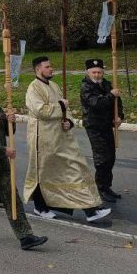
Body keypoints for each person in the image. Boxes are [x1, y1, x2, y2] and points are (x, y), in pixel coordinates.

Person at [24, 57, 111, 223]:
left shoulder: (54, 86)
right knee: (42, 173)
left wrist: (68, 121)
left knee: (76, 169)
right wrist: (61, 106)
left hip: (61, 138)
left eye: (51, 66)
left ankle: (91, 209)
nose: (51, 69)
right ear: (38, 70)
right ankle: (41, 207)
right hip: (43, 140)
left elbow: (66, 109)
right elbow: (41, 110)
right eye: (48, 67)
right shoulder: (33, 88)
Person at [0, 80, 48, 250]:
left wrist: (9, 122)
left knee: (12, 198)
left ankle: (25, 236)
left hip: (3, 164)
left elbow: (8, 132)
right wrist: (4, 151)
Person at [79, 59, 124, 202]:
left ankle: (107, 186)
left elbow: (118, 103)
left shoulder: (106, 84)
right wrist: (112, 95)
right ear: (88, 72)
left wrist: (119, 116)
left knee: (111, 157)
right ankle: (100, 188)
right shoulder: (86, 87)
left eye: (99, 72)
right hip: (94, 127)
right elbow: (97, 104)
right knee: (102, 159)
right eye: (94, 72)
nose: (97, 75)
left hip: (107, 125)